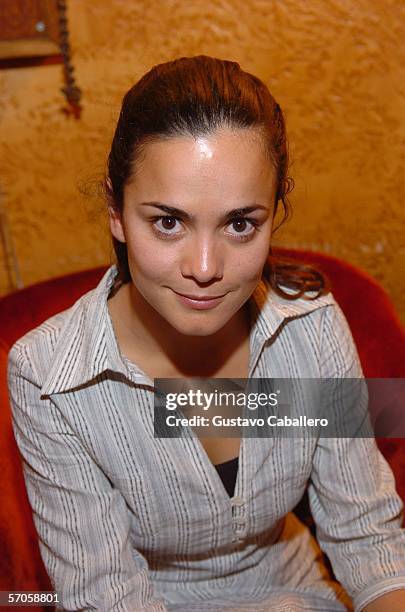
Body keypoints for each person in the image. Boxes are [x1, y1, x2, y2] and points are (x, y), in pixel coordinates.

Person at [7, 55, 405, 611]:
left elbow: (369, 541)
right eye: (168, 221)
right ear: (116, 211)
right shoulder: (50, 379)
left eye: (240, 223)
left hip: (301, 593)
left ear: (275, 213)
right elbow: (106, 597)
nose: (204, 267)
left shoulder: (310, 327)